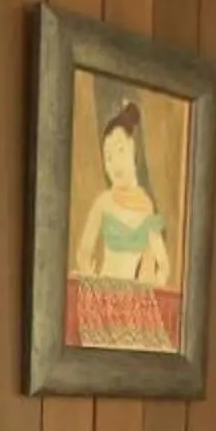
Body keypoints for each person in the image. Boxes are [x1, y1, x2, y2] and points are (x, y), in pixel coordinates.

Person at [74, 98, 172, 290]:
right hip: (105, 294)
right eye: (108, 157)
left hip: (134, 300)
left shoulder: (146, 206)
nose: (114, 164)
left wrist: (156, 280)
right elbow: (83, 252)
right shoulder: (103, 203)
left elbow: (164, 263)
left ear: (135, 151)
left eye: (120, 151)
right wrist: (89, 271)